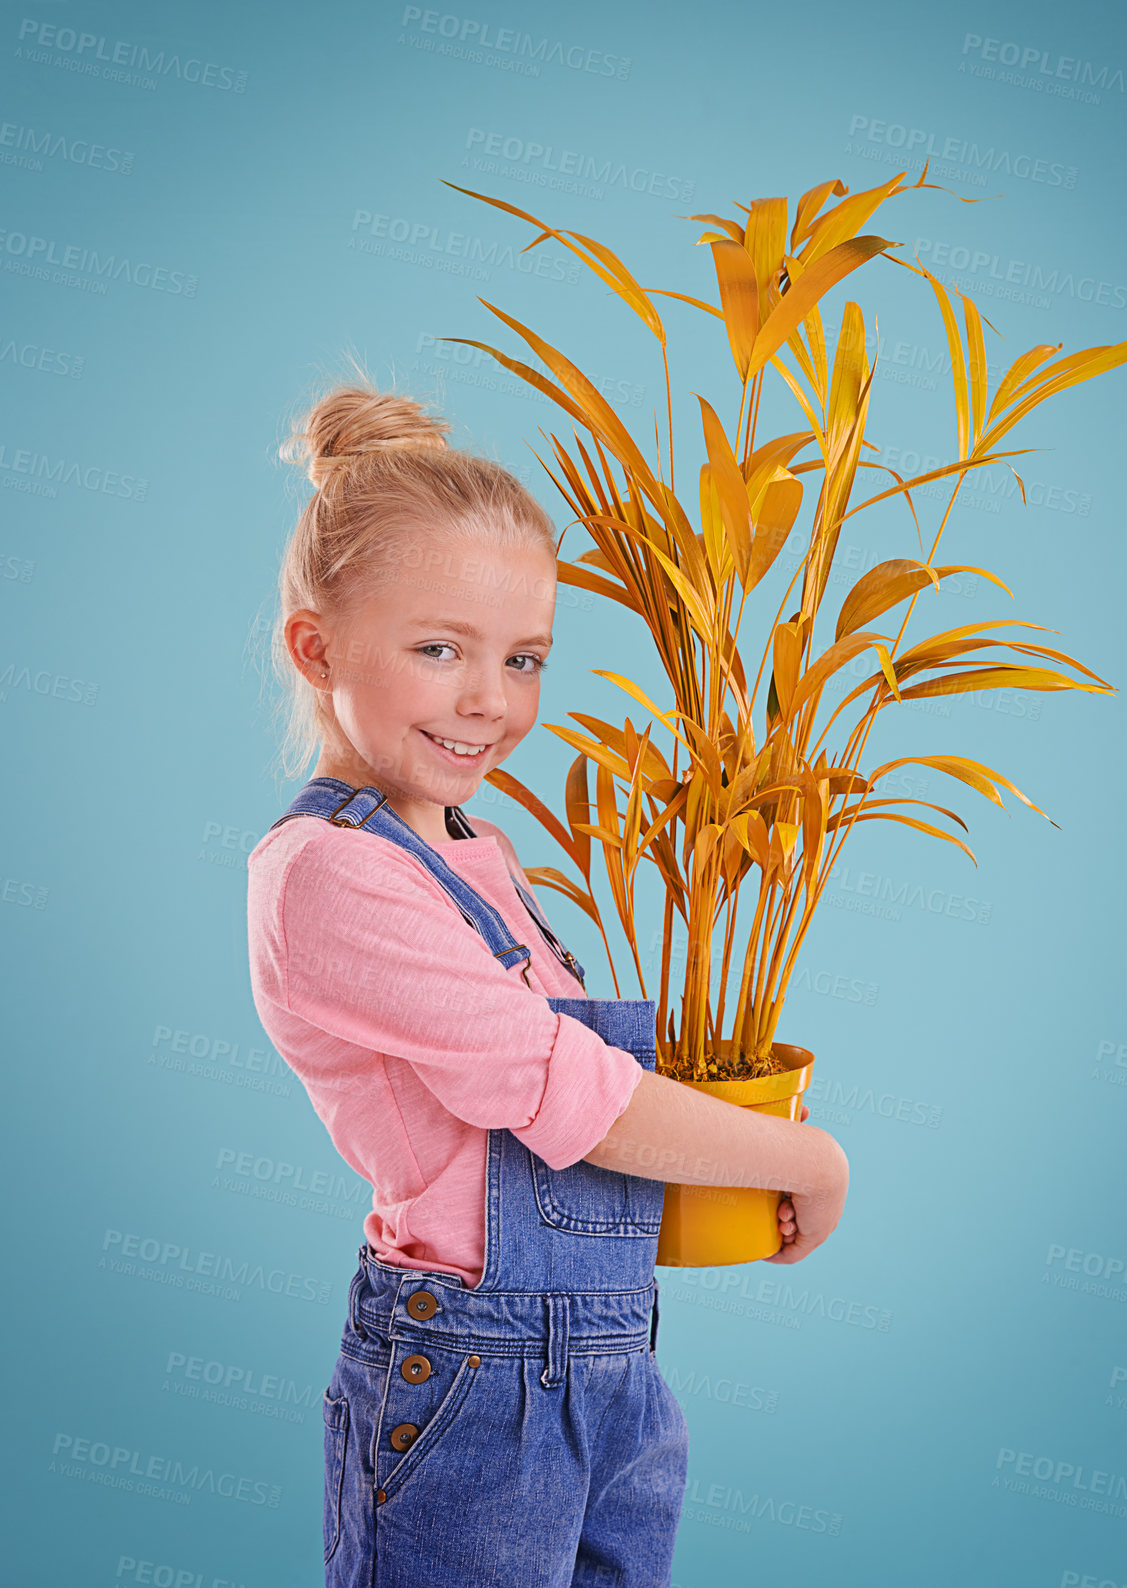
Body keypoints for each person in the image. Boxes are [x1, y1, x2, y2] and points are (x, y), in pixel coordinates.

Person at [246, 376, 850, 1587]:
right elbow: (562, 1086)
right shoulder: (328, 876)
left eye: (523, 659)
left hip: (611, 1358)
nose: (491, 701)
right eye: (438, 650)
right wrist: (801, 1158)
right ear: (317, 647)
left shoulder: (474, 851)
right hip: (474, 1370)